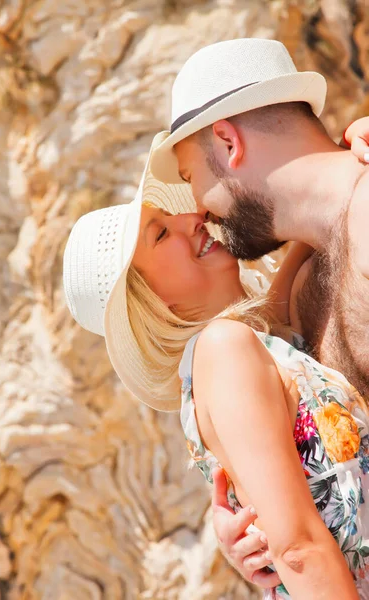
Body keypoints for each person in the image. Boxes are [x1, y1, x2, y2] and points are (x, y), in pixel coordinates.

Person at [63, 132, 369, 599]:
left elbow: (328, 207)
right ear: (151, 301)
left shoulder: (259, 337)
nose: (192, 218)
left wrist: (356, 141)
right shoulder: (224, 351)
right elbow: (297, 551)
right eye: (161, 233)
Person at [147, 38, 369, 591]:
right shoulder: (302, 291)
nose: (199, 208)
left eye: (190, 175)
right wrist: (259, 519)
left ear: (226, 141)